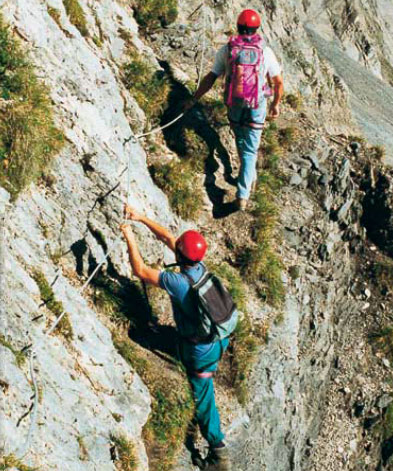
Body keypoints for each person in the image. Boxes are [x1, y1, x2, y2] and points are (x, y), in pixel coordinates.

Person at [120, 204, 232, 471]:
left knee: (203, 397)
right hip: (218, 338)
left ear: (182, 255)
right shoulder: (198, 269)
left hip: (200, 352)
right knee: (175, 342)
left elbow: (142, 272)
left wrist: (129, 236)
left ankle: (218, 452)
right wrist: (141, 217)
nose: (175, 245)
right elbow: (169, 239)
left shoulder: (179, 283)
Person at [186, 9, 284, 210]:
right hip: (257, 105)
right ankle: (243, 194)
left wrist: (193, 99)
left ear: (238, 27)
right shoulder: (265, 51)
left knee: (240, 138)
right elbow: (278, 82)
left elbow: (212, 77)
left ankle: (246, 175)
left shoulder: (228, 50)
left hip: (234, 104)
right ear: (257, 28)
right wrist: (275, 104)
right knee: (250, 149)